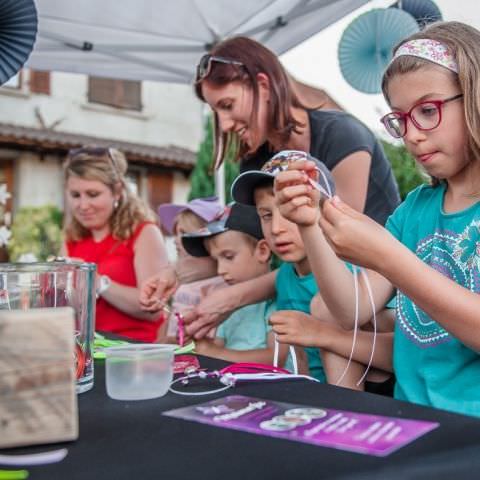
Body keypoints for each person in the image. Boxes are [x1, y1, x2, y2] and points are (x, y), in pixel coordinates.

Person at [273, 22, 480, 416]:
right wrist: (309, 225)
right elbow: (351, 310)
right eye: (401, 119)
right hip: (410, 419)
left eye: (427, 110)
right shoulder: (413, 210)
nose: (412, 135)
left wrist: (389, 258)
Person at [170, 36, 402, 339]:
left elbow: (339, 247)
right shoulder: (256, 161)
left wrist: (235, 296)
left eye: (227, 105)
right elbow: (244, 243)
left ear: (264, 86)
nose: (224, 124)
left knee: (323, 309)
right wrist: (175, 276)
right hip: (309, 286)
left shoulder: (342, 135)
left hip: (374, 287)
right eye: (216, 112)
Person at [231, 152, 393, 388]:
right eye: (266, 216)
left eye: (290, 210)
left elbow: (396, 347)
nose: (276, 228)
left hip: (353, 399)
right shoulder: (285, 277)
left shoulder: (354, 276)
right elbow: (299, 355)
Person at [62, 146, 173, 342]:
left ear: (117, 191)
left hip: (133, 351)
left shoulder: (145, 232)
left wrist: (97, 283)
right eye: (75, 195)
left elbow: (154, 310)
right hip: (86, 349)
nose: (83, 205)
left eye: (93, 194)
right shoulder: (72, 238)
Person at [181, 202, 287, 366]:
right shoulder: (224, 306)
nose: (220, 270)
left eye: (229, 257)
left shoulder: (277, 300)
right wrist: (199, 343)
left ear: (262, 251)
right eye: (216, 260)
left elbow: (278, 357)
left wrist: (216, 354)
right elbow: (218, 345)